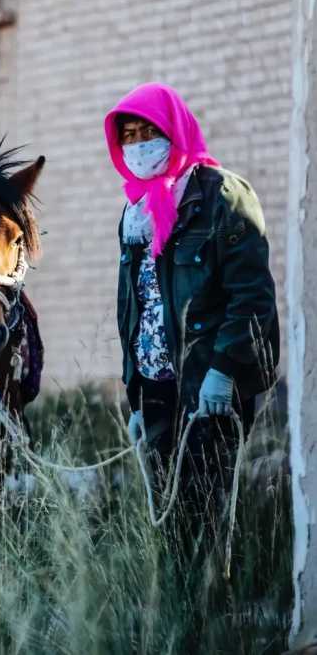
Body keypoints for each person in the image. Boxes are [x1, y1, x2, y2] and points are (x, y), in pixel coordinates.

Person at [104, 82, 279, 540]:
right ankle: (179, 611)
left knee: (207, 518)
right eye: (131, 135)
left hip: (209, 390)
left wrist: (225, 371)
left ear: (175, 129)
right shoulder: (135, 211)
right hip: (156, 389)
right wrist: (135, 393)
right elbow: (136, 307)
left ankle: (216, 608)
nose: (141, 145)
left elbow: (252, 297)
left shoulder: (222, 196)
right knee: (168, 525)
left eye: (150, 131)